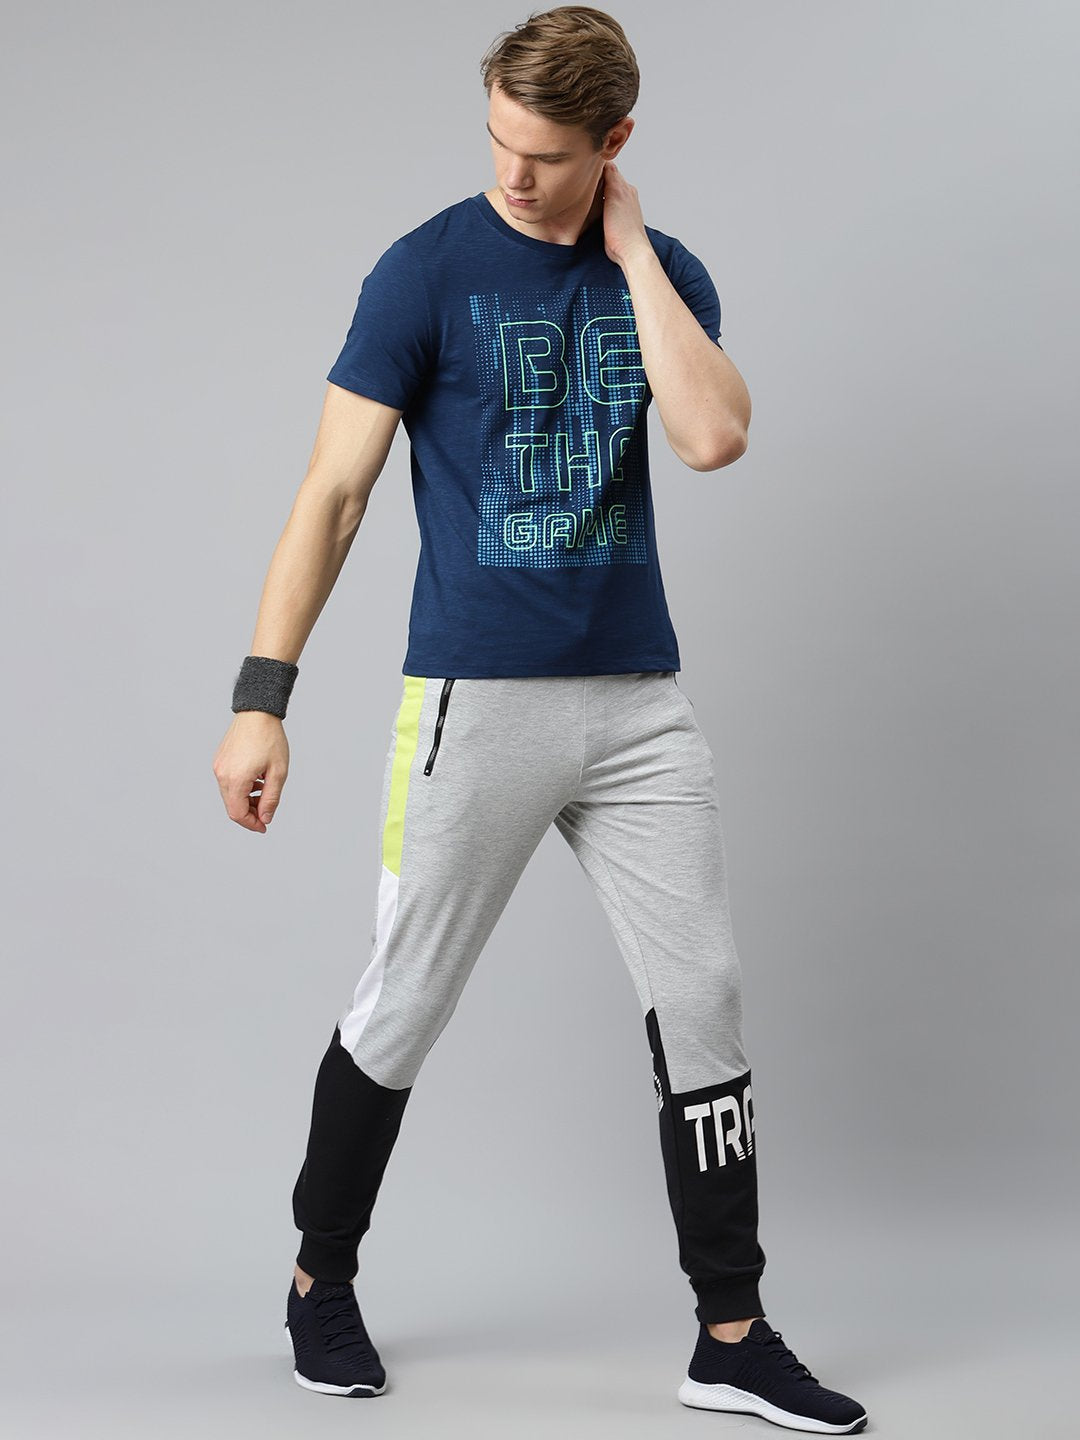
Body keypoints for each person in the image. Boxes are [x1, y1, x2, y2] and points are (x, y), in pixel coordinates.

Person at [212, 6, 868, 1432]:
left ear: (615, 142)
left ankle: (731, 1332)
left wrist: (630, 252)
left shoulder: (663, 272)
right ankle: (321, 1280)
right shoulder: (426, 269)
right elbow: (333, 494)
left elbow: (713, 435)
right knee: (405, 997)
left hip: (638, 707)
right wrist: (264, 700)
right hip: (476, 697)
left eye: (549, 155)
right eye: (499, 142)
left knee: (704, 998)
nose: (514, 176)